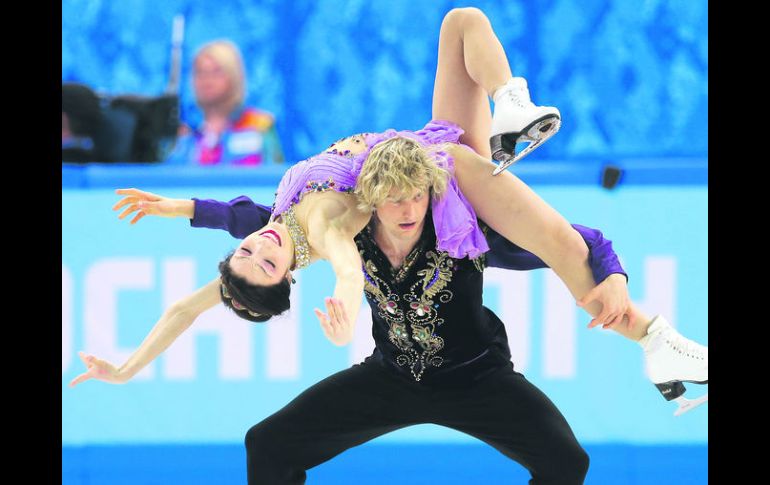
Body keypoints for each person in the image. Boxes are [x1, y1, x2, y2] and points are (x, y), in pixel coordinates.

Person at [71, 7, 706, 483]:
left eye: (250, 252)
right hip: (393, 372)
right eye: (267, 261)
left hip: (474, 356)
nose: (261, 247)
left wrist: (181, 206)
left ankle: (514, 103)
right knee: (268, 444)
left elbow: (237, 228)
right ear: (290, 275)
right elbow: (335, 265)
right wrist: (124, 372)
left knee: (462, 21)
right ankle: (657, 342)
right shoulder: (356, 236)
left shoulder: (288, 224)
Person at [165, 40, 285, 167]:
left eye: (216, 72)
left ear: (234, 76)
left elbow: (279, 181)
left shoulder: (259, 126)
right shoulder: (185, 135)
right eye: (200, 72)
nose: (207, 80)